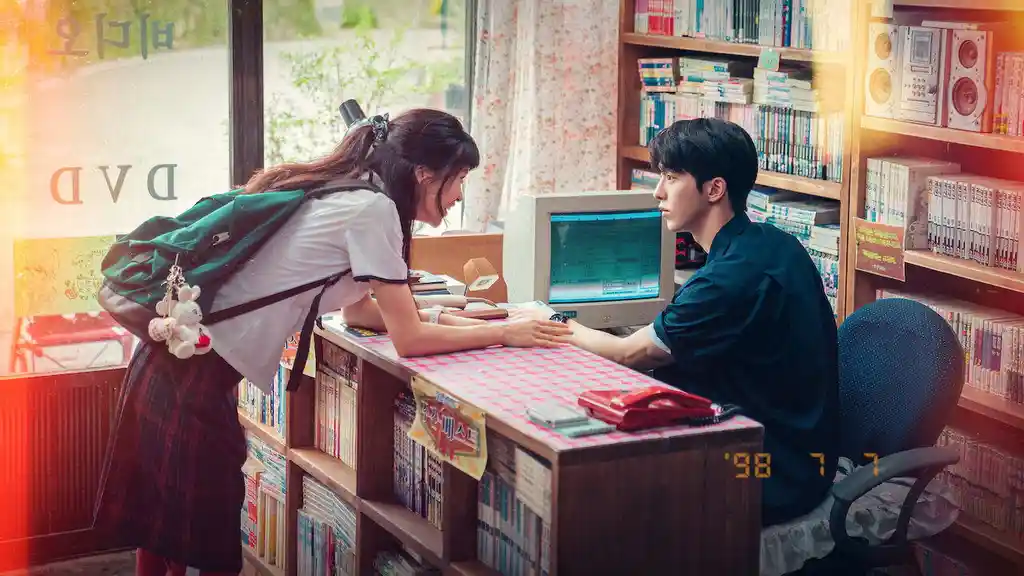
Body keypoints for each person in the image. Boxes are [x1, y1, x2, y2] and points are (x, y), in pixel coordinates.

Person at [94, 108, 572, 576]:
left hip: (176, 359)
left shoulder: (351, 189)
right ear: (425, 174)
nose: (460, 195)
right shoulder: (375, 210)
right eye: (460, 178)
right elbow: (409, 339)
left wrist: (448, 317)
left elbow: (359, 312)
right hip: (192, 372)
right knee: (205, 542)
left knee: (163, 529)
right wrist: (505, 332)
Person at [514, 117, 840, 527]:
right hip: (794, 451)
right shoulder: (771, 244)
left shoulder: (729, 279)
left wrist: (550, 318)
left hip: (767, 470)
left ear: (714, 189)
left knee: (591, 487)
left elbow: (629, 354)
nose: (658, 191)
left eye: (671, 177)